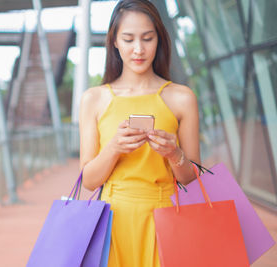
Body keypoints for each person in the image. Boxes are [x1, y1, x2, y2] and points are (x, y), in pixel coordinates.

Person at [78, 0, 201, 266]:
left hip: (167, 218)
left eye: (147, 38)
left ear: (159, 39)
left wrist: (175, 154)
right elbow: (88, 180)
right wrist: (113, 148)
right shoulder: (94, 99)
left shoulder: (182, 97)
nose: (138, 49)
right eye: (128, 39)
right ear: (114, 41)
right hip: (113, 222)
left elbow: (193, 181)